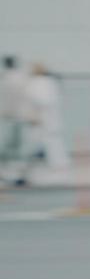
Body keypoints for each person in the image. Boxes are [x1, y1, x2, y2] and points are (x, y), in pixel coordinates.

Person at [0, 55, 33, 186]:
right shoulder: (22, 79)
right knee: (20, 149)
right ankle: (20, 175)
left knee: (6, 149)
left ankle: (6, 174)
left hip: (7, 118)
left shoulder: (4, 79)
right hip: (20, 117)